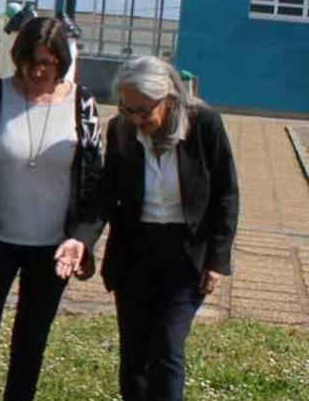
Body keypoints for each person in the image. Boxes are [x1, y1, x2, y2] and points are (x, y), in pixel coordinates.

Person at [56, 56, 238, 401]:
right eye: (127, 109)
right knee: (135, 352)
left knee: (168, 346)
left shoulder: (204, 125)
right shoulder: (122, 130)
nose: (136, 119)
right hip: (136, 252)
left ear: (168, 99)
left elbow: (226, 193)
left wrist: (217, 258)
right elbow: (106, 194)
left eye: (143, 110)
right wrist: (81, 240)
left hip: (186, 252)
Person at [0, 17, 102, 401]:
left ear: (62, 64)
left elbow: (92, 178)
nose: (38, 72)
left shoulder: (81, 103)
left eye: (48, 64)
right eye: (31, 62)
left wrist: (83, 241)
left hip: (52, 246)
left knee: (30, 342)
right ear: (18, 58)